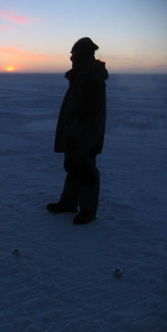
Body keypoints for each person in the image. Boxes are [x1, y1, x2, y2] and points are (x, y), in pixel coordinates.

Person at [47, 37, 108, 225]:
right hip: (77, 133)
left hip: (86, 135)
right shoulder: (82, 76)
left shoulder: (90, 78)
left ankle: (88, 211)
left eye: (73, 53)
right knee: (73, 166)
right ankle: (68, 203)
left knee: (86, 169)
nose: (71, 57)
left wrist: (74, 134)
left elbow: (86, 112)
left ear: (82, 54)